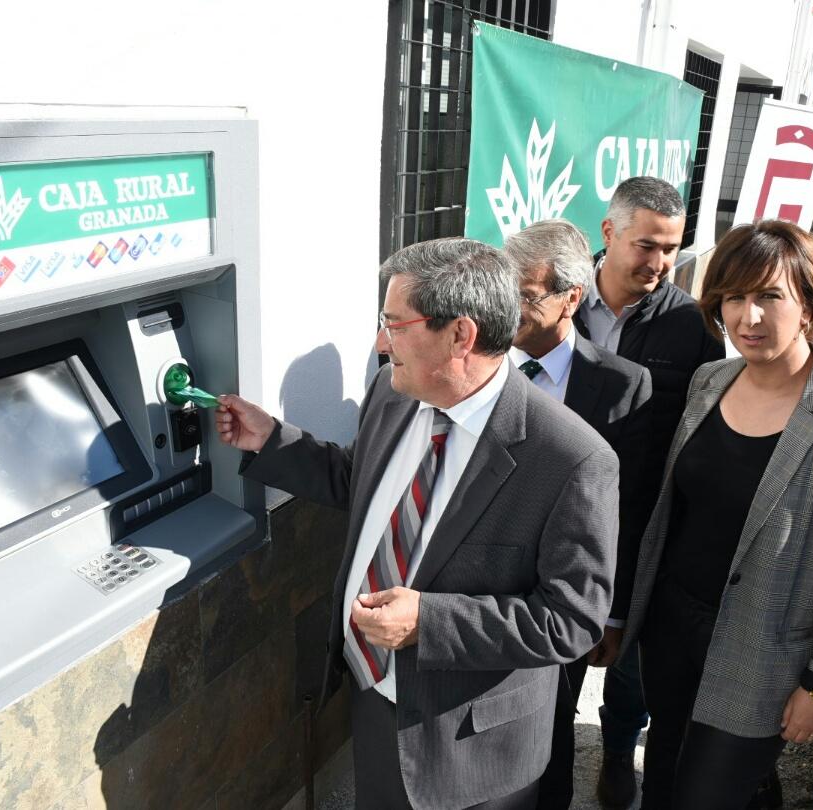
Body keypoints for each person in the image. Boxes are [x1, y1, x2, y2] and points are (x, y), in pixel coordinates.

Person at [216, 237, 620, 810]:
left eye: (394, 324)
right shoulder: (392, 389)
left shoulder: (572, 459)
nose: (381, 341)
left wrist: (429, 621)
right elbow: (363, 480)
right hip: (376, 697)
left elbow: (572, 620)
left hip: (473, 750)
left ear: (461, 335)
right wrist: (271, 440)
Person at [623, 220, 813, 809]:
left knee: (708, 796)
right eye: (733, 297)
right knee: (662, 780)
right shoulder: (710, 380)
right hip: (672, 630)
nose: (747, 317)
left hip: (766, 652)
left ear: (807, 303)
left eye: (769, 297)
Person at [573, 176, 725, 808]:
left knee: (628, 657)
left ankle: (615, 755)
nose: (660, 264)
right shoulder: (556, 298)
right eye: (646, 246)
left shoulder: (690, 328)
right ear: (608, 234)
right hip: (555, 510)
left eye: (672, 249)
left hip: (640, 522)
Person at [502, 219, 653, 809]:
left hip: (561, 603)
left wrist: (612, 615)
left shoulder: (622, 386)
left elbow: (630, 510)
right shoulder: (483, 367)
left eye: (524, 294)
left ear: (571, 297)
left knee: (550, 731)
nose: (505, 308)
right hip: (484, 596)